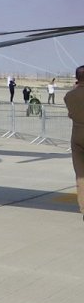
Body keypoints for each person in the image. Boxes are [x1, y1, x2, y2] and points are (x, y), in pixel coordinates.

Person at [65, 65, 84, 222]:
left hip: (77, 136)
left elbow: (71, 114)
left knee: (80, 176)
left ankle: (83, 208)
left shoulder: (69, 96)